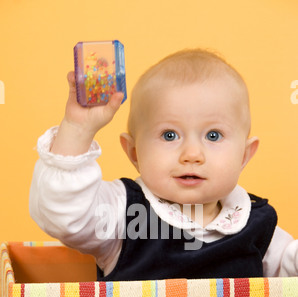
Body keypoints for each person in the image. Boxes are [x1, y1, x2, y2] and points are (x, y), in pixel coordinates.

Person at [29, 48, 298, 280]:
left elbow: (290, 273)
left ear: (244, 156)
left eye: (213, 136)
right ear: (134, 153)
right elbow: (64, 214)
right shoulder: (122, 214)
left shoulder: (258, 225)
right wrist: (77, 129)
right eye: (169, 135)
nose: (192, 154)